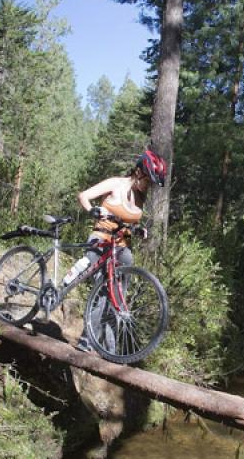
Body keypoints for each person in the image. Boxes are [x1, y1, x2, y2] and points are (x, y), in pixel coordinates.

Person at [74, 149, 167, 352]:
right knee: (101, 288)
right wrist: (93, 210)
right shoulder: (115, 183)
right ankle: (89, 339)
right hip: (100, 239)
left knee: (118, 298)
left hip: (121, 247)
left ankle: (108, 345)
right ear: (138, 172)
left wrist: (138, 229)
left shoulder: (140, 197)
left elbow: (126, 222)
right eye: (148, 180)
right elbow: (84, 196)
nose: (148, 186)